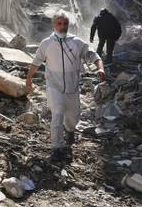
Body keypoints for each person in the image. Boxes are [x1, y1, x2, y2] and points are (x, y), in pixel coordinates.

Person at [25, 10, 105, 162]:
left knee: (73, 117)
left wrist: (100, 68)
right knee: (57, 113)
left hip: (72, 88)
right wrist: (28, 79)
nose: (63, 26)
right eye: (59, 23)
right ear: (53, 25)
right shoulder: (46, 44)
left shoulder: (76, 42)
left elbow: (93, 55)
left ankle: (70, 130)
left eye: (65, 23)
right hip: (54, 86)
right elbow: (36, 62)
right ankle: (56, 148)